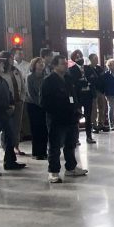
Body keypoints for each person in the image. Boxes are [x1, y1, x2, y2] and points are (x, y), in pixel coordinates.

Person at [41, 55, 88, 183]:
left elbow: (74, 95)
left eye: (66, 63)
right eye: (62, 64)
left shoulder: (68, 78)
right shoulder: (48, 81)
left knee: (70, 144)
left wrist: (77, 108)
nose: (65, 66)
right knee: (55, 146)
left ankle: (71, 167)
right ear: (55, 65)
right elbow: (44, 102)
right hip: (57, 118)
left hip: (71, 117)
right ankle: (53, 171)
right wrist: (57, 111)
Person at [1, 50, 26, 156]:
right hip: (6, 103)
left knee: (17, 126)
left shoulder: (16, 70)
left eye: (12, 58)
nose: (12, 60)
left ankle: (16, 146)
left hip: (18, 102)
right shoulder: (1, 72)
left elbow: (23, 86)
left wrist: (22, 99)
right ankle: (6, 146)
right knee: (7, 127)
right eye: (10, 58)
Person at [68, 50, 96, 144]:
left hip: (88, 95)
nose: (80, 59)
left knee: (88, 116)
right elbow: (74, 82)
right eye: (77, 57)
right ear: (74, 59)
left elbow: (94, 78)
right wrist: (82, 82)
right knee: (77, 117)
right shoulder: (71, 69)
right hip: (78, 96)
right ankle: (76, 138)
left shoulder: (88, 68)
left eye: (81, 56)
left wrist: (86, 82)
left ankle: (89, 136)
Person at [25, 57, 48, 160]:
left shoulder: (46, 77)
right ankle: (37, 152)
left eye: (42, 63)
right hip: (33, 105)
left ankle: (44, 150)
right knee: (36, 128)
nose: (41, 64)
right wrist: (39, 103)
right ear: (34, 65)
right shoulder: (30, 77)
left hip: (44, 105)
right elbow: (30, 93)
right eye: (39, 63)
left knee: (44, 128)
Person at [88, 54, 109, 133]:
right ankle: (94, 125)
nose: (97, 60)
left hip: (101, 91)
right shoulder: (88, 69)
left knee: (102, 108)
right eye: (95, 58)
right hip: (93, 91)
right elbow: (91, 80)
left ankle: (101, 124)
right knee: (94, 109)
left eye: (97, 58)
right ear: (91, 59)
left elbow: (103, 78)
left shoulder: (100, 68)